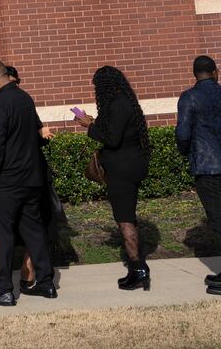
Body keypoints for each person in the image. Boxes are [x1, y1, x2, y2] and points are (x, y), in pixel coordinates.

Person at [0, 62, 55, 307]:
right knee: (34, 230)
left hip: (5, 181)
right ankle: (46, 282)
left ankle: (4, 290)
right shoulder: (25, 99)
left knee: (1, 234)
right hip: (31, 179)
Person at [176, 55, 221, 295]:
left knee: (220, 221)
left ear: (194, 74)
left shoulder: (189, 97)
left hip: (208, 167)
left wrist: (186, 152)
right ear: (216, 72)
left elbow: (183, 134)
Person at [73, 66, 151, 291]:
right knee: (129, 215)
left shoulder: (117, 104)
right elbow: (118, 131)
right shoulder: (126, 102)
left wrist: (90, 126)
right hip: (134, 163)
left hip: (121, 169)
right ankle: (136, 267)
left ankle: (138, 270)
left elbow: (112, 139)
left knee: (124, 219)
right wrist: (95, 122)